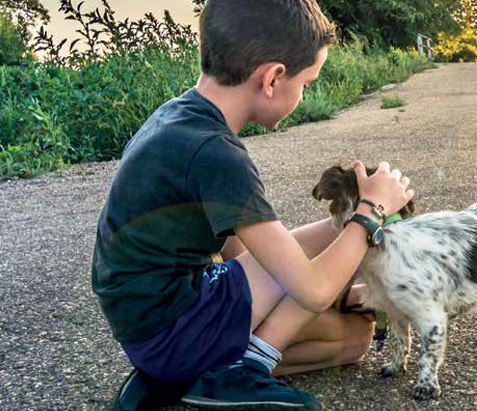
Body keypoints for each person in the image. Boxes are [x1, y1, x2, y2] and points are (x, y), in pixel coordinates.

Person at [90, 0, 414, 409]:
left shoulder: (181, 117)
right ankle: (235, 372)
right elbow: (310, 290)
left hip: (150, 325)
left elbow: (241, 255)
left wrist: (333, 283)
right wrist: (371, 212)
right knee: (325, 259)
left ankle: (181, 378)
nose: (305, 92)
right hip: (172, 328)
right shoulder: (216, 153)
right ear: (273, 78)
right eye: (307, 83)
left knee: (352, 340)